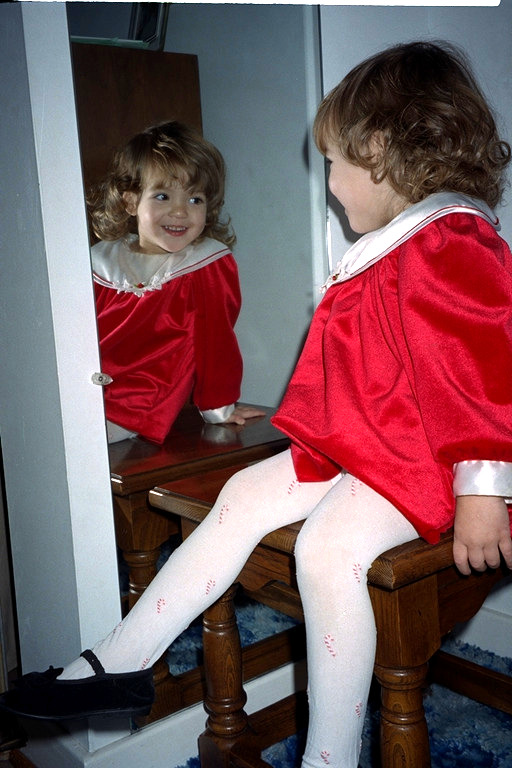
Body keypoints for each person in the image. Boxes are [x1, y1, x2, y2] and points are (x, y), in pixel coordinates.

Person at [2, 41, 512, 768]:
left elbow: (485, 364)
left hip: (430, 460)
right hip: (376, 449)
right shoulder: (401, 242)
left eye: (332, 162)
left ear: (377, 149)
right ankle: (121, 661)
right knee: (242, 493)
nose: (329, 183)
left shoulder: (448, 236)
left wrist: (484, 487)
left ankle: (329, 758)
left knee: (327, 547)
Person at [88, 120, 263, 444]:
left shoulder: (205, 266)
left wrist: (219, 408)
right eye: (163, 196)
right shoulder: (100, 262)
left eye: (195, 199)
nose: (180, 212)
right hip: (83, 394)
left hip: (136, 407)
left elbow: (217, 341)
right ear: (130, 202)